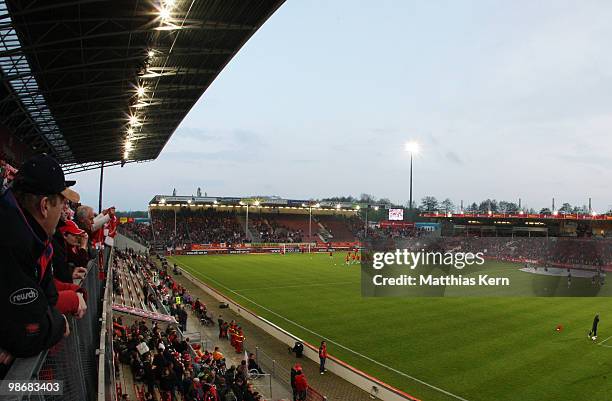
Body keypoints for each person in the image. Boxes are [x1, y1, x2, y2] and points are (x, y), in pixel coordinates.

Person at [0, 154, 79, 374]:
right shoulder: (12, 239)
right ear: (45, 206)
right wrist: (60, 323)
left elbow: (47, 300)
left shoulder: (30, 234)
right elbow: (26, 332)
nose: (63, 210)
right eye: (61, 203)